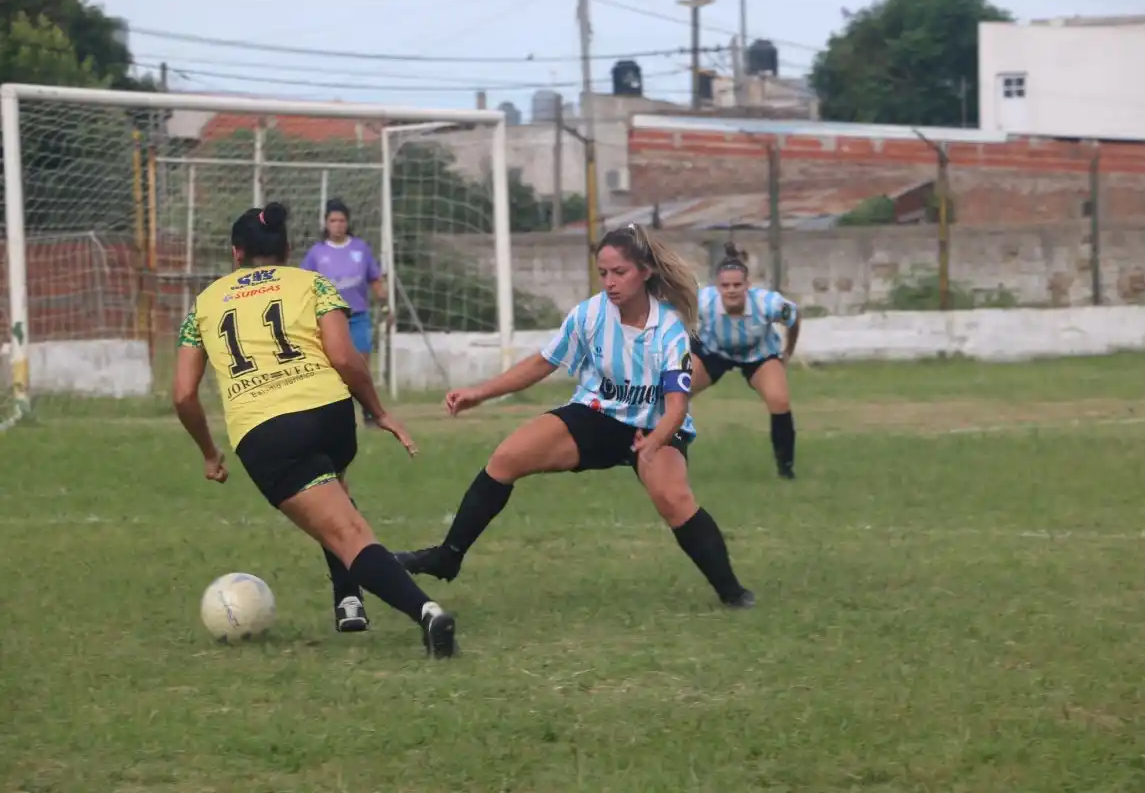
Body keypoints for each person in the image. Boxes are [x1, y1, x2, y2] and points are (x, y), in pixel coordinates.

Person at [395, 223, 755, 609]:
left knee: (674, 499)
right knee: (506, 458)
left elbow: (677, 406)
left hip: (655, 426)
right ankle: (447, 556)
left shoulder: (668, 329)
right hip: (596, 416)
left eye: (620, 272)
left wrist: (656, 440)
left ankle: (732, 593)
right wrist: (479, 393)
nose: (610, 282)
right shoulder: (590, 314)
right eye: (603, 273)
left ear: (645, 272)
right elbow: (542, 363)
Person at [172, 201, 457, 658]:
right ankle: (348, 601)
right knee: (334, 494)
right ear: (287, 248)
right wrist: (378, 412)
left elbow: (184, 394)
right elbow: (345, 359)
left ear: (235, 253)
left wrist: (209, 452)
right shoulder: (314, 283)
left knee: (346, 533)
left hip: (267, 433)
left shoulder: (204, 304)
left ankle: (427, 614)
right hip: (330, 414)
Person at [689, 242, 801, 480]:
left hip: (758, 354)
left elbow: (794, 317)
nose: (731, 290)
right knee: (674, 395)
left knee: (779, 400)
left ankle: (786, 470)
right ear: (717, 287)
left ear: (748, 286)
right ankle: (662, 460)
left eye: (737, 285)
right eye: (725, 285)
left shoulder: (768, 304)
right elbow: (671, 314)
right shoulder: (703, 301)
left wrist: (787, 352)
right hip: (713, 350)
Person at [300, 198, 388, 427]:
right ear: (326, 223)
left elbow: (375, 279)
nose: (337, 225)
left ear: (348, 223)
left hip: (357, 315)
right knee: (333, 365)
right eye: (333, 220)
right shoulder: (317, 253)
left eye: (341, 220)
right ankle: (335, 411)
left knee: (361, 362)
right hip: (329, 318)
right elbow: (302, 284)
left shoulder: (360, 249)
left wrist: (385, 303)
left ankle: (369, 410)